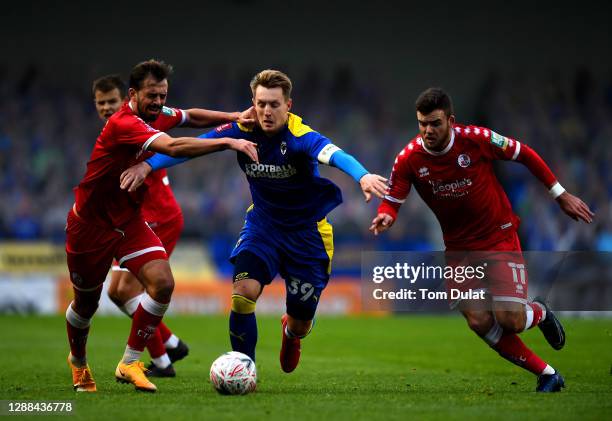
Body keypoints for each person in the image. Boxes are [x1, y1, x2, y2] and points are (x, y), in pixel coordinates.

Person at [120, 69, 388, 374]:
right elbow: (190, 148)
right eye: (261, 103)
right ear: (253, 102)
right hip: (263, 227)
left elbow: (336, 154)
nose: (266, 111)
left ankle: (292, 333)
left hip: (307, 234)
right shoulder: (242, 128)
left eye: (274, 104)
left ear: (289, 105)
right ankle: (245, 369)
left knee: (301, 321)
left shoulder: (300, 136)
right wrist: (148, 166)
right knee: (243, 294)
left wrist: (363, 175)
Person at [370, 87, 594, 392]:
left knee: (510, 319)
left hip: (497, 236)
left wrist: (560, 194)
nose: (428, 130)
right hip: (459, 249)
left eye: (435, 123)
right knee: (478, 321)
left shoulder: (476, 139)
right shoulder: (409, 158)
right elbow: (393, 198)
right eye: (422, 124)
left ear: (451, 120)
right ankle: (548, 374)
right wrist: (387, 216)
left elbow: (524, 154)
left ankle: (540, 312)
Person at [65, 60, 258, 393]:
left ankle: (129, 363)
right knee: (86, 306)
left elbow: (190, 116)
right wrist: (229, 142)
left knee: (162, 284)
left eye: (162, 95)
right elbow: (173, 146)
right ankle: (79, 363)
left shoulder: (153, 113)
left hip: (128, 222)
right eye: (151, 95)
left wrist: (233, 117)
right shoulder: (124, 122)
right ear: (133, 94)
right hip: (90, 227)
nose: (158, 102)